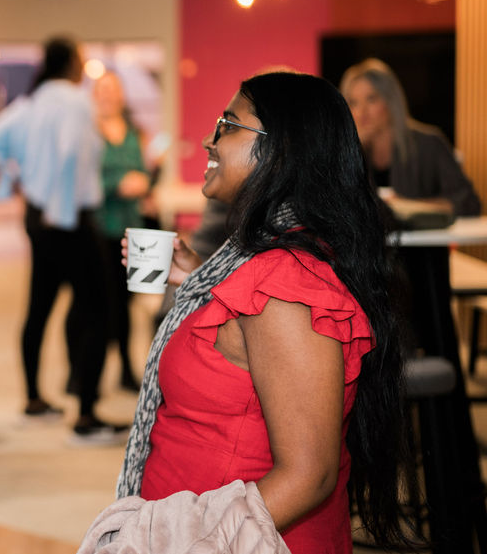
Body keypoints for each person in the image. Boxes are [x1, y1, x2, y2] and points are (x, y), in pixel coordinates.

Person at [115, 72, 411, 553]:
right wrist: (200, 278)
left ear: (282, 150)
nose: (211, 141)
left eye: (229, 126)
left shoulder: (285, 284)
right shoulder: (255, 261)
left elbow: (309, 476)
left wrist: (189, 542)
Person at [0, 36, 124, 444]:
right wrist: (60, 212)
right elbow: (70, 156)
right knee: (99, 310)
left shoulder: (30, 105)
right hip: (69, 219)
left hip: (40, 217)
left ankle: (34, 399)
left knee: (39, 307)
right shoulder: (75, 103)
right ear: (73, 63)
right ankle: (87, 417)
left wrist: (14, 184)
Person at [340, 57, 480, 217]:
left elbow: (469, 202)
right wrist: (353, 151)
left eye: (371, 99)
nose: (361, 112)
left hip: (423, 241)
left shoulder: (429, 143)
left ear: (390, 100)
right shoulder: (347, 152)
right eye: (353, 102)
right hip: (372, 242)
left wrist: (411, 207)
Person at [93, 71, 154, 391]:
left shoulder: (135, 132)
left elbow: (144, 171)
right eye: (102, 90)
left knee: (128, 303)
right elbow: (85, 183)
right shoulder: (89, 133)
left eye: (114, 90)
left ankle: (127, 370)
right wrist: (117, 185)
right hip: (100, 228)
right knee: (99, 304)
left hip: (133, 228)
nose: (108, 96)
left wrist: (146, 185)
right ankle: (86, 372)